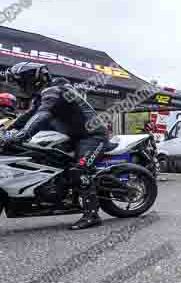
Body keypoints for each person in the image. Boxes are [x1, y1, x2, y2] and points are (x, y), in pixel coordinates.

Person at [2, 62, 109, 230]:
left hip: (92, 135)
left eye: (21, 82)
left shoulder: (56, 90)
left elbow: (43, 115)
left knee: (78, 170)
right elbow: (30, 115)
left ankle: (92, 214)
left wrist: (23, 134)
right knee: (45, 158)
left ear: (33, 80)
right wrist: (7, 129)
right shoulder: (43, 95)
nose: (20, 86)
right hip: (72, 136)